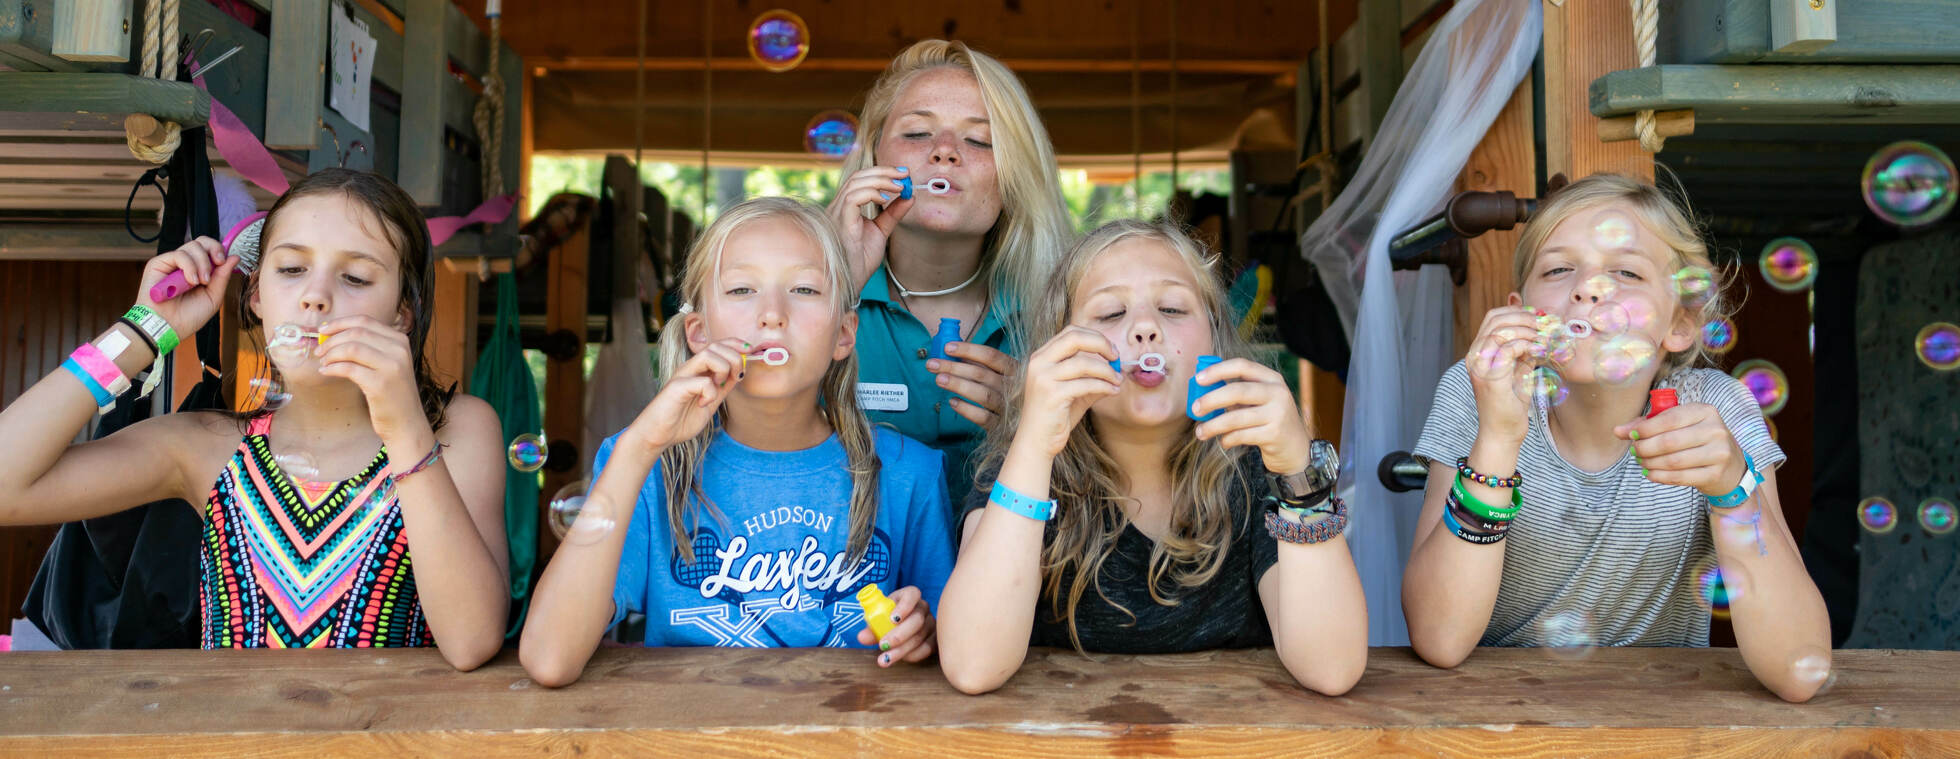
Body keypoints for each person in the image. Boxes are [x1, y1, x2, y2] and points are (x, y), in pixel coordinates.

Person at [0, 168, 510, 666]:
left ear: (402, 313)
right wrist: (139, 334)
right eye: (291, 269)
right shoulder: (205, 448)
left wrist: (404, 429)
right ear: (257, 295)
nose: (316, 295)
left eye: (355, 276)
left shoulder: (454, 432)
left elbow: (471, 641)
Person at [1401, 173, 1832, 702]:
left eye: (1626, 271)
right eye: (1559, 269)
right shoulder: (1478, 394)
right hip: (1502, 713)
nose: (1589, 288)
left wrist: (1731, 487)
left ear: (1680, 324)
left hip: (1664, 718)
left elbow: (1798, 671)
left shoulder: (1714, 410)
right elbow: (1438, 638)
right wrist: (1497, 438)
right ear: (1520, 310)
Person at [519, 198, 954, 687]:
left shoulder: (908, 473)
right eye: (742, 289)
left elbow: (951, 648)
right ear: (698, 334)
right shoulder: (643, 465)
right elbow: (549, 659)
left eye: (804, 288)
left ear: (845, 333)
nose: (772, 314)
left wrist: (924, 631)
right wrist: (641, 444)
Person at [936, 220, 1368, 696]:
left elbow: (1333, 668)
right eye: (1110, 313)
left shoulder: (1257, 472)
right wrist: (1035, 444)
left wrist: (1296, 471)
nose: (1145, 328)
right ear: (1059, 351)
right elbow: (973, 664)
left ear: (1216, 338)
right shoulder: (1025, 472)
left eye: (1171, 307)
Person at [829, 40, 1073, 500]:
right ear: (875, 155)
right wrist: (830, 283)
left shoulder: (1066, 310)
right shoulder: (812, 294)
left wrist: (1039, 430)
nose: (944, 152)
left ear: (1016, 173)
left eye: (980, 139)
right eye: (918, 134)